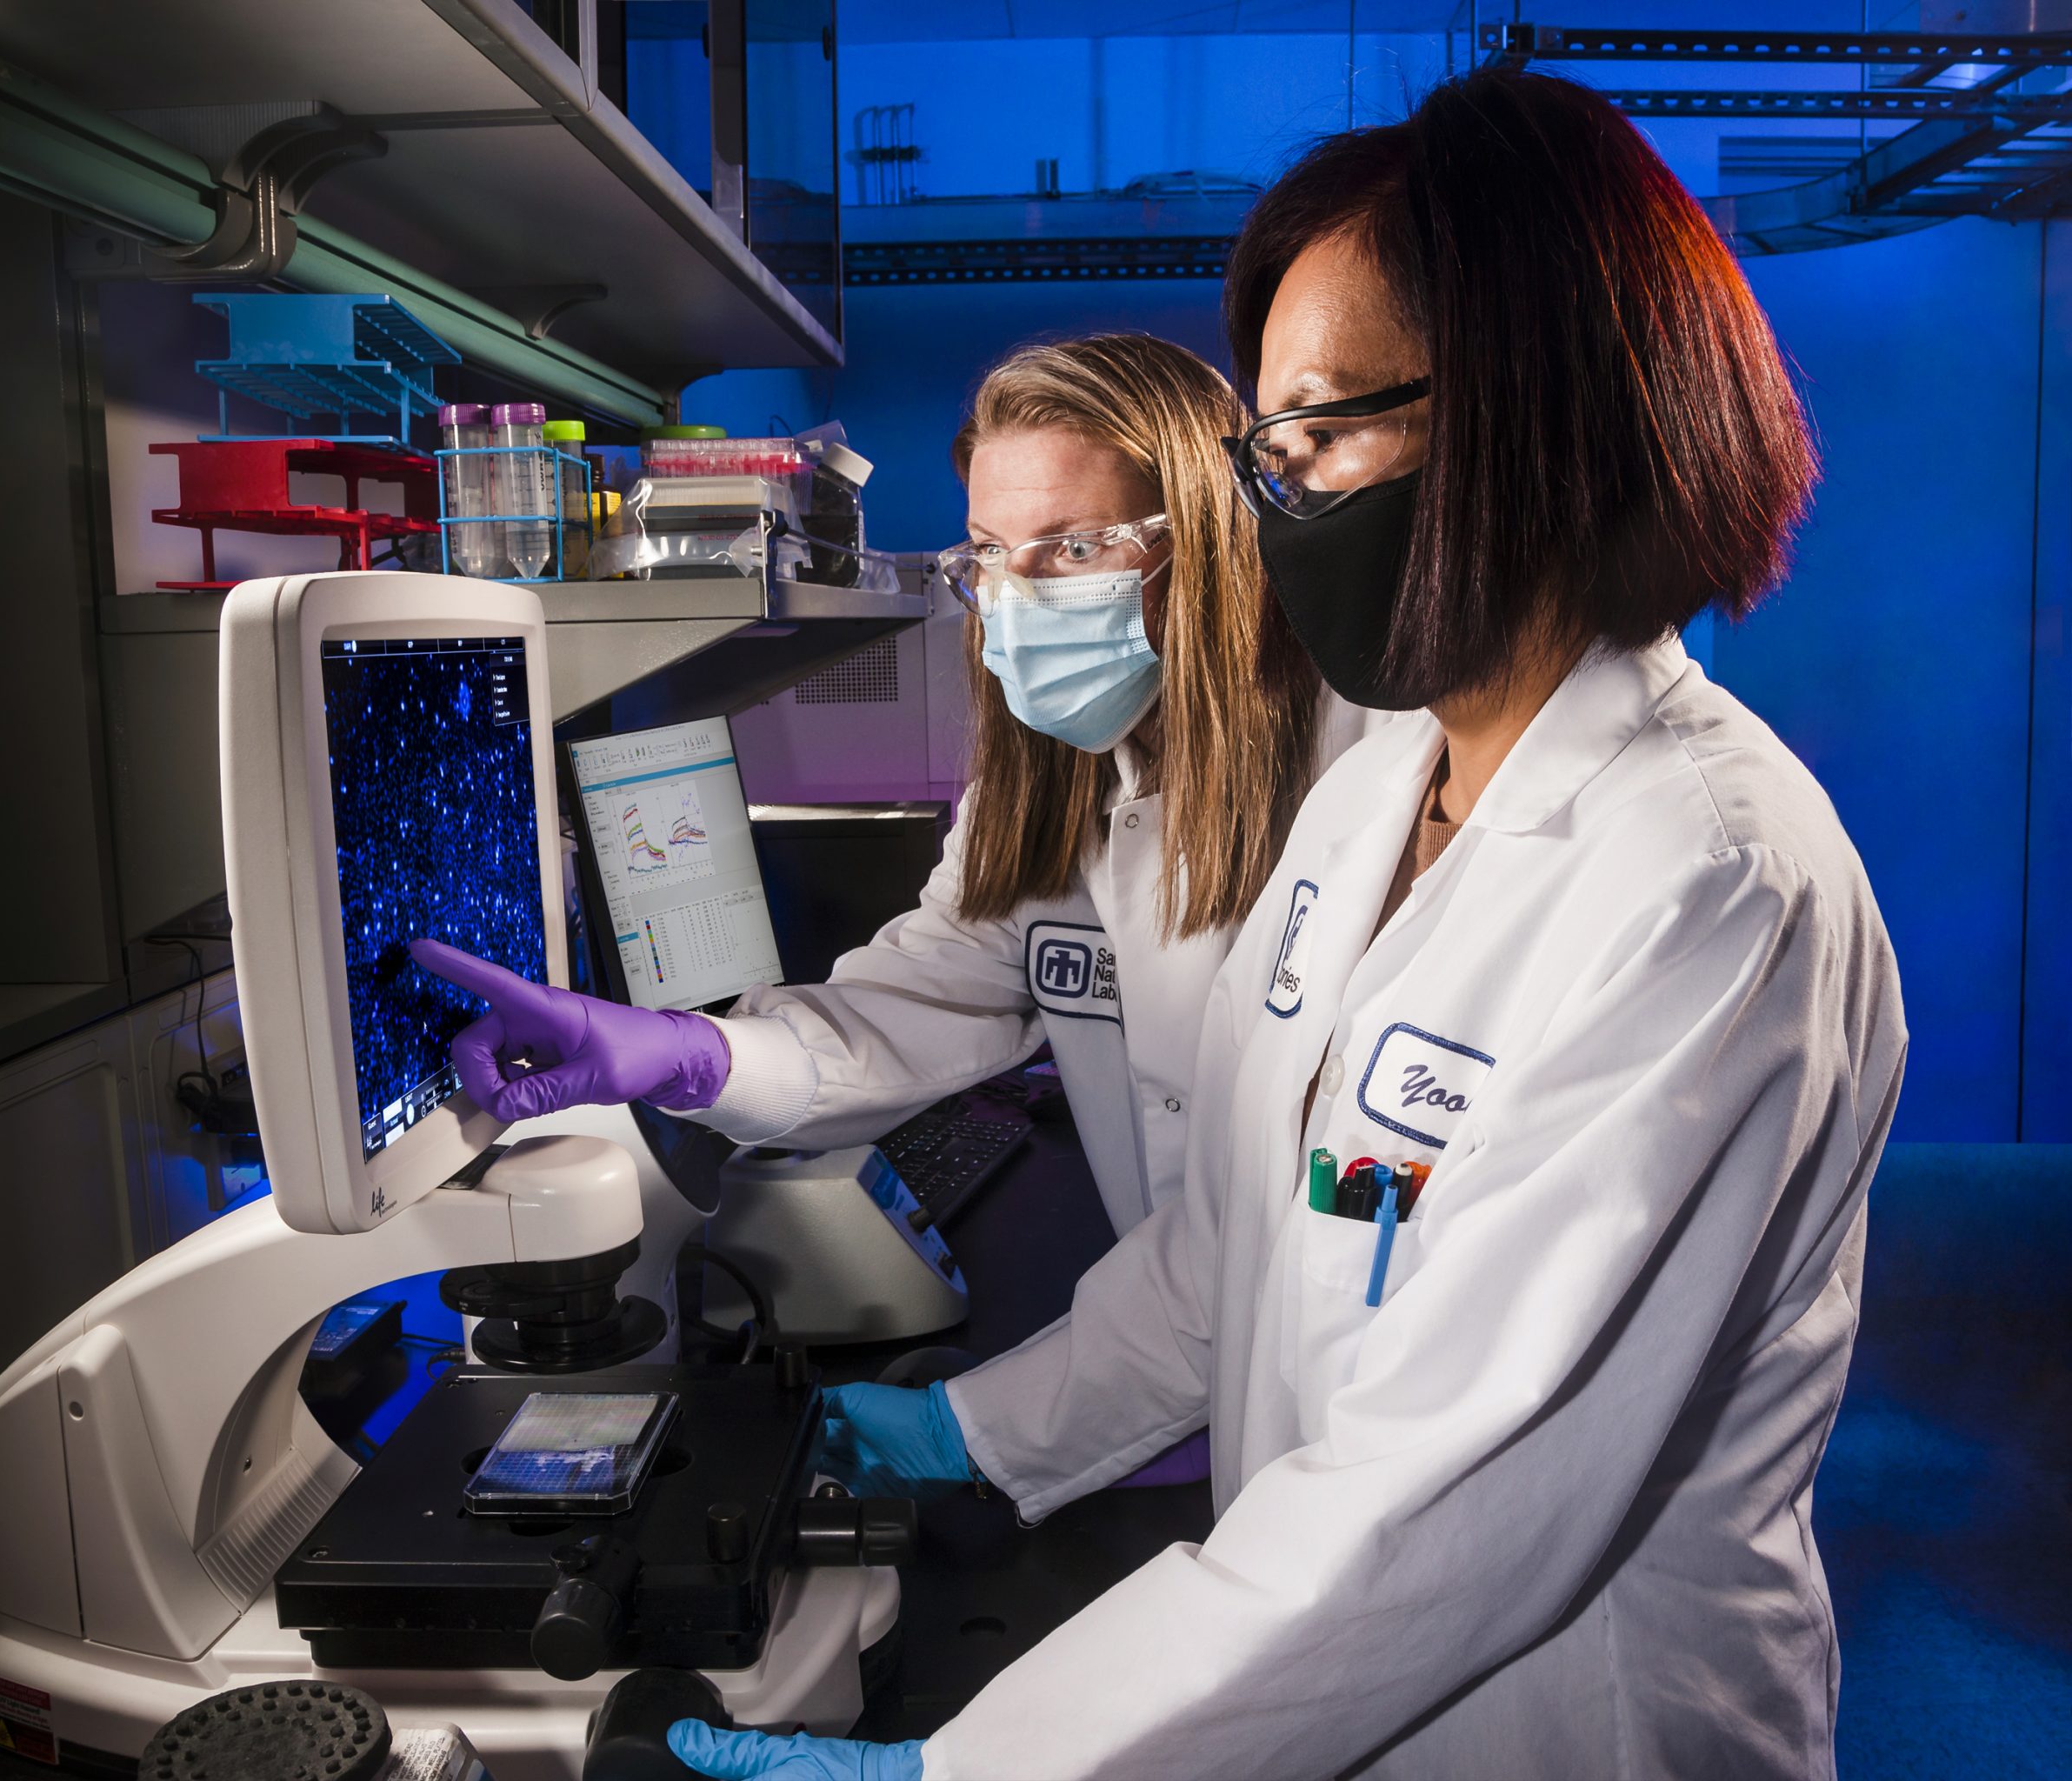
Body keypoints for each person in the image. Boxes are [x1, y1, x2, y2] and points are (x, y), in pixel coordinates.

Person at [666, 66, 1906, 1781]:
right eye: (1269, 440)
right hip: (1323, 1691)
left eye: (1320, 428)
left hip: (1565, 1726)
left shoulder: (1702, 877)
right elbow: (1235, 1243)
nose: (1280, 492)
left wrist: (976, 1772)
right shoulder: (1376, 788)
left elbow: (1448, 1496)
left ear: (1533, 417)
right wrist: (966, 1427)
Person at [416, 335, 1365, 1257]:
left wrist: (971, 1426)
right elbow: (918, 1007)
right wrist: (694, 1053)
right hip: (1177, 1331)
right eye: (990, 554)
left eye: (1073, 550)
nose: (1014, 596)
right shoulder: (1032, 798)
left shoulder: (1358, 770)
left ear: (1207, 546)